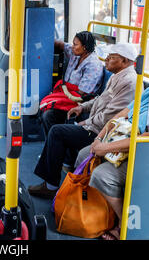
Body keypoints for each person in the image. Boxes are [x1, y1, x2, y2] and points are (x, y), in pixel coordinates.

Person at [74, 62, 149, 240]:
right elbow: (120, 115)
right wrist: (99, 139)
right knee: (85, 154)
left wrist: (104, 148)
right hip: (124, 145)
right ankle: (100, 211)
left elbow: (144, 139)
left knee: (103, 175)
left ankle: (127, 224)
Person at [28, 43, 139, 199]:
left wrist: (85, 123)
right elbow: (101, 99)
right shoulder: (116, 76)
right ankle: (65, 164)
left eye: (111, 57)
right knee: (58, 118)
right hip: (94, 124)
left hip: (101, 132)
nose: (106, 60)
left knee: (57, 132)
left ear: (125, 61)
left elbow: (111, 116)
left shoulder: (129, 82)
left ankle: (50, 185)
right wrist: (82, 107)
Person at [41, 31, 104, 136]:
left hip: (78, 100)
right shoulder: (75, 53)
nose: (72, 46)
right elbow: (61, 45)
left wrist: (64, 92)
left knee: (48, 115)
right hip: (67, 93)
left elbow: (83, 93)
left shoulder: (93, 65)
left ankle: (54, 146)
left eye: (75, 44)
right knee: (44, 107)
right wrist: (42, 41)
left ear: (84, 47)